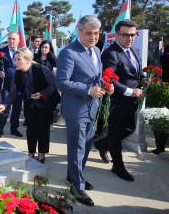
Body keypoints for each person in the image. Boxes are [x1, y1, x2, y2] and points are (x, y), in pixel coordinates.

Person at [56, 15, 114, 206]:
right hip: (76, 109)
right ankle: (77, 187)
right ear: (79, 32)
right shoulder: (69, 52)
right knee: (77, 148)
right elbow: (62, 82)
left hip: (92, 108)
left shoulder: (96, 50)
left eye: (96, 33)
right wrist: (88, 90)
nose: (93, 37)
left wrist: (107, 85)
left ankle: (74, 177)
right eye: (88, 33)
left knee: (85, 146)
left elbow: (96, 77)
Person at [95, 20, 147, 182]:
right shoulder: (110, 54)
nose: (130, 38)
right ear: (117, 35)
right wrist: (131, 91)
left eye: (133, 35)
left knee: (129, 128)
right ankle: (118, 165)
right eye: (125, 35)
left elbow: (136, 71)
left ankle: (103, 144)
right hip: (116, 101)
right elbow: (108, 79)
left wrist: (143, 79)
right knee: (116, 134)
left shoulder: (134, 51)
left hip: (132, 102)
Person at [0, 48, 59, 163]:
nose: (16, 62)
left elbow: (54, 86)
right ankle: (31, 152)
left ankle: (41, 154)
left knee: (43, 129)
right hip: (30, 103)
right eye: (15, 60)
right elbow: (13, 93)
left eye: (19, 59)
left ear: (28, 60)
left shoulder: (42, 69)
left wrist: (41, 94)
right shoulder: (17, 74)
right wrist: (4, 105)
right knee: (31, 129)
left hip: (46, 103)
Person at [0, 31, 23, 138]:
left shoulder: (22, 52)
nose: (11, 41)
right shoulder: (1, 51)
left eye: (14, 39)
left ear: (18, 41)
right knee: (5, 108)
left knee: (17, 109)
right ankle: (0, 128)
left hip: (19, 87)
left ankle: (14, 129)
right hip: (6, 86)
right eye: (9, 38)